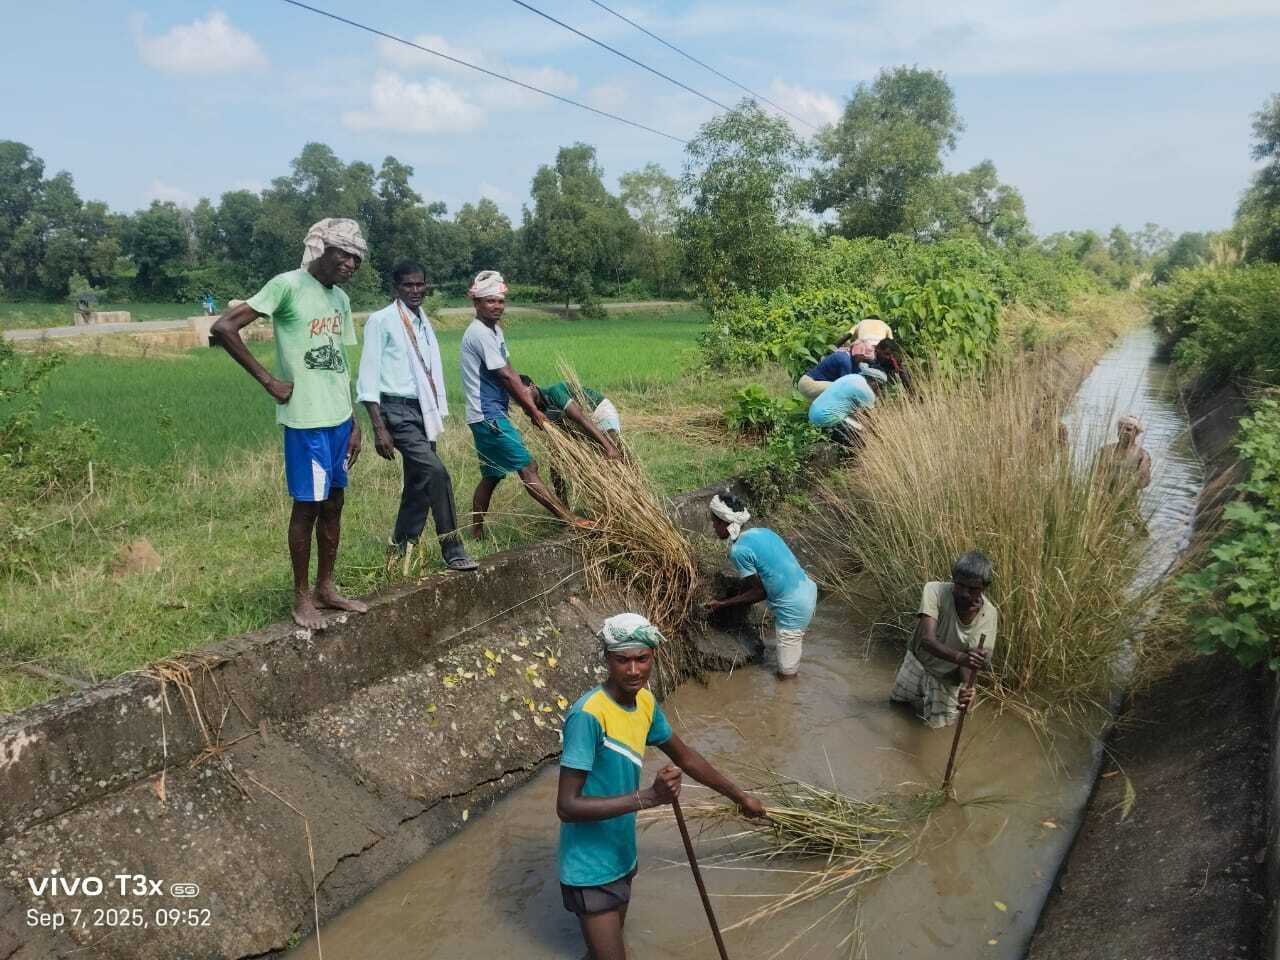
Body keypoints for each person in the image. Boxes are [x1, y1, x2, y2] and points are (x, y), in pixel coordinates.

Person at [557, 613, 765, 960]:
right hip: (589, 865)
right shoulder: (589, 716)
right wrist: (648, 797)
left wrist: (740, 797)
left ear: (653, 657)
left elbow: (687, 758)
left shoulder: (645, 703)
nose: (634, 670)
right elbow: (566, 806)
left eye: (642, 659)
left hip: (623, 854)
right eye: (622, 660)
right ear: (607, 659)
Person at [211, 218, 370, 630]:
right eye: (343, 254)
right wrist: (268, 380)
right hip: (306, 422)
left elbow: (338, 363)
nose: (350, 263)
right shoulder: (287, 285)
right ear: (322, 250)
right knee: (308, 507)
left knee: (334, 504)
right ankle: (301, 597)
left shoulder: (340, 300)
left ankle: (326, 588)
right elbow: (224, 327)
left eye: (356, 257)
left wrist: (353, 420)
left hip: (337, 420)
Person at [357, 260, 477, 572]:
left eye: (419, 284)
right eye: (408, 285)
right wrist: (378, 426)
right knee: (437, 473)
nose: (415, 290)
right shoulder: (381, 321)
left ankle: (401, 547)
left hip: (422, 409)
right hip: (395, 410)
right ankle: (453, 548)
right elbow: (368, 376)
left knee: (419, 482)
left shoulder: (424, 321)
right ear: (395, 288)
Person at [459, 270, 591, 539]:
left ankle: (476, 533)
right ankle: (569, 519)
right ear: (476, 303)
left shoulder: (493, 330)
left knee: (492, 476)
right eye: (489, 301)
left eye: (500, 301)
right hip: (488, 416)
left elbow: (510, 370)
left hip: (488, 413)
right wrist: (533, 412)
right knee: (528, 466)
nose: (497, 306)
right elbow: (506, 377)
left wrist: (528, 404)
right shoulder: (480, 334)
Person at [703, 493, 818, 679]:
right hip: (808, 590)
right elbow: (768, 569)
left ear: (726, 523)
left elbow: (759, 592)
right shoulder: (762, 532)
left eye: (715, 522)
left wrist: (723, 604)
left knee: (787, 677)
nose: (714, 527)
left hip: (793, 609)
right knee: (794, 643)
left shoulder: (738, 550)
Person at [890, 551, 999, 729]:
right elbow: (927, 640)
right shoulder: (935, 590)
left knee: (938, 730)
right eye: (960, 585)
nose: (964, 593)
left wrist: (969, 689)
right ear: (953, 579)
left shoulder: (988, 615)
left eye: (972, 589)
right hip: (918, 662)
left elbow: (973, 662)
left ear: (984, 588)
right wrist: (961, 658)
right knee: (896, 707)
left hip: (947, 679)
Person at [520, 375, 622, 459]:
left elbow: (581, 418)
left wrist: (609, 448)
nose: (522, 399)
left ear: (532, 386)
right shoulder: (537, 409)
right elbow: (558, 433)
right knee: (558, 456)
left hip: (598, 411)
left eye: (523, 393)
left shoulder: (554, 392)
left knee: (613, 448)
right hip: (583, 425)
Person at [807, 372, 877, 438]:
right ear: (875, 383)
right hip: (825, 416)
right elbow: (872, 417)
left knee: (852, 418)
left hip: (812, 411)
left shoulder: (854, 377)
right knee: (863, 432)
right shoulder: (867, 392)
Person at [796, 341, 875, 399]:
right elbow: (846, 386)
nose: (863, 359)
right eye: (862, 356)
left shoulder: (851, 360)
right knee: (840, 390)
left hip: (814, 382)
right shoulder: (845, 360)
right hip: (808, 384)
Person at [1100, 414, 1152, 489]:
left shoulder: (1143, 455)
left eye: (1128, 429)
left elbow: (1144, 482)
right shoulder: (1105, 450)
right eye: (1121, 428)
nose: (1124, 431)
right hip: (1104, 494)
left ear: (1136, 433)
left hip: (1129, 496)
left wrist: (1128, 483)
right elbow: (1097, 477)